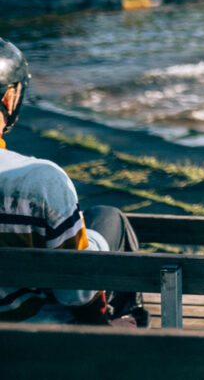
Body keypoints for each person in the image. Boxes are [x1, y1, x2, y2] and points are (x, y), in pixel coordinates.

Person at [0, 38, 147, 326]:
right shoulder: (39, 181)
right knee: (109, 217)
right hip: (41, 342)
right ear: (10, 98)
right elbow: (76, 292)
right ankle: (117, 334)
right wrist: (98, 327)